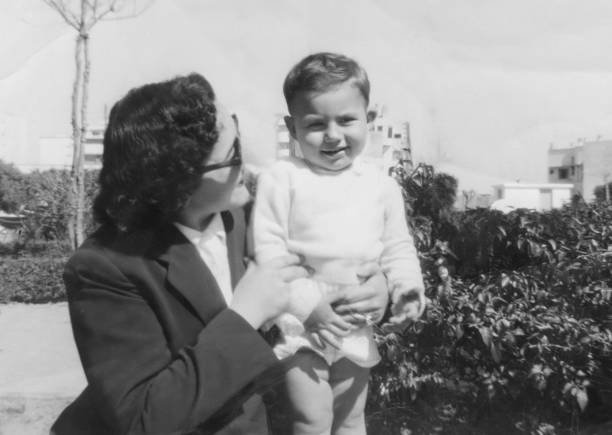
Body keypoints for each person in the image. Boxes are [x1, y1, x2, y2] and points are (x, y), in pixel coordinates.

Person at [50, 73, 389, 435]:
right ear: (179, 181)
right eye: (234, 153)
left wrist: (376, 286)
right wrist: (245, 314)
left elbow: (328, 260)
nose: (251, 161)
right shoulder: (105, 267)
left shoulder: (245, 217)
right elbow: (143, 419)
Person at [252, 53, 426, 435]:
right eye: (315, 124)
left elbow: (397, 247)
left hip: (355, 322)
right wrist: (306, 305)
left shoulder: (380, 185)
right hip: (303, 325)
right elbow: (268, 252)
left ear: (370, 120)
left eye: (346, 120)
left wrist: (407, 289)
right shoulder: (282, 178)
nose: (333, 135)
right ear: (292, 127)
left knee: (351, 419)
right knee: (311, 420)